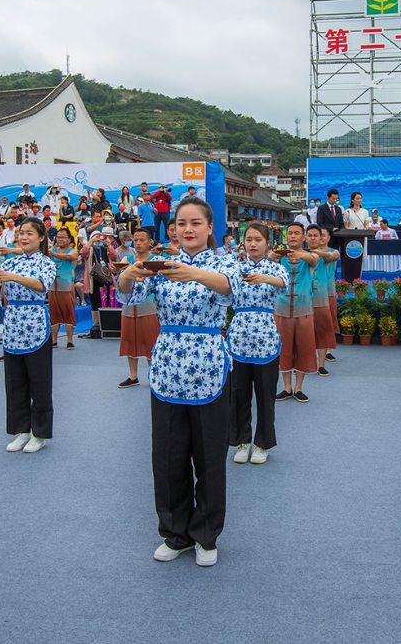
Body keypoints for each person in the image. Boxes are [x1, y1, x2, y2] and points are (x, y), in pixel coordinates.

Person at [116, 196, 238, 567]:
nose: (187, 229)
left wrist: (192, 273)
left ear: (209, 227)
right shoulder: (161, 263)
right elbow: (127, 293)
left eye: (195, 223)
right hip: (167, 365)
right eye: (181, 223)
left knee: (209, 455)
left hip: (208, 365)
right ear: (174, 229)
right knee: (168, 455)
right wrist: (130, 273)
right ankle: (175, 532)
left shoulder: (224, 260)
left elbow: (230, 287)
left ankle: (206, 535)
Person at [227, 222, 289, 465]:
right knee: (238, 393)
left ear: (267, 243)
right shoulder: (235, 268)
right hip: (239, 338)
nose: (252, 244)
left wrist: (263, 277)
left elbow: (284, 283)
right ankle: (242, 441)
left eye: (258, 240)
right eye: (249, 239)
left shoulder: (275, 269)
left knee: (265, 395)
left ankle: (262, 443)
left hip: (265, 339)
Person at [0, 218, 57, 454]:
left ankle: (39, 432)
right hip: (13, 324)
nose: (24, 237)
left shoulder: (47, 263)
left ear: (41, 238)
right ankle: (21, 431)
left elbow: (41, 285)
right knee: (15, 382)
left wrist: (13, 277)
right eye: (21, 233)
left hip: (35, 322)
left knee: (39, 382)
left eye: (29, 233)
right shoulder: (11, 262)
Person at [271, 222, 318, 403]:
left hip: (303, 310)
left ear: (303, 237)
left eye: (297, 233)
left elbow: (313, 260)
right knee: (284, 349)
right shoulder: (280, 257)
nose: (292, 236)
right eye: (290, 233)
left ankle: (298, 388)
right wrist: (274, 254)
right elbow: (268, 259)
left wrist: (300, 254)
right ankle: (287, 387)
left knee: (303, 348)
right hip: (281, 309)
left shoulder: (309, 257)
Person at [117, 227, 161, 388]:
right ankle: (133, 376)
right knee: (129, 341)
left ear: (150, 242)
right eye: (135, 240)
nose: (138, 243)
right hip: (129, 308)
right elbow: (121, 280)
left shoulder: (156, 260)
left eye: (142, 240)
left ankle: (154, 374)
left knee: (151, 342)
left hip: (149, 308)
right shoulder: (127, 258)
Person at [306, 224, 338, 376]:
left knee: (323, 331)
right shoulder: (299, 255)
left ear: (321, 238)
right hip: (303, 301)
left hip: (321, 299)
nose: (312, 238)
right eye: (310, 235)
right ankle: (305, 363)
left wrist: (315, 252)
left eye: (316, 236)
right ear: (305, 237)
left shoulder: (327, 255)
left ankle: (321, 364)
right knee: (304, 334)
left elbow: (331, 257)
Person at [48, 227, 80, 349]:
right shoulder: (52, 250)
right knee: (53, 313)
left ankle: (69, 340)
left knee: (68, 312)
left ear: (69, 239)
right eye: (58, 237)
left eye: (63, 237)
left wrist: (54, 254)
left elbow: (69, 257)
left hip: (66, 287)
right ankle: (54, 339)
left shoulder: (73, 251)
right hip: (52, 287)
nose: (60, 239)